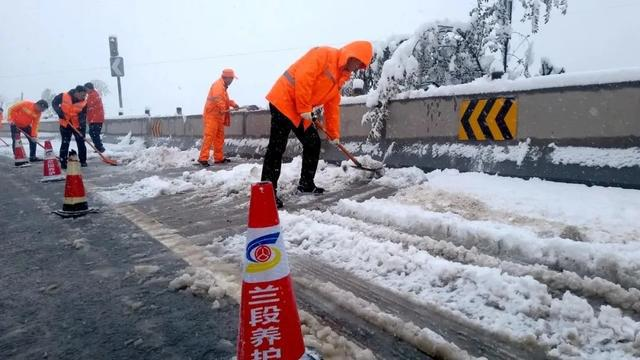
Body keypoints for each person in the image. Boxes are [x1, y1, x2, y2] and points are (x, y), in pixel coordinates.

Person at [260, 41, 373, 208]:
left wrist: (334, 134)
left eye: (361, 66)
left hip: (300, 107)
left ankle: (306, 183)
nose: (357, 68)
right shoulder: (324, 55)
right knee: (277, 147)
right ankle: (266, 194)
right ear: (351, 55)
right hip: (283, 101)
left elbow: (332, 105)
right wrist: (305, 107)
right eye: (358, 62)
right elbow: (305, 77)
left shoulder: (341, 76)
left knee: (313, 142)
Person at [198, 68, 239, 166]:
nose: (232, 81)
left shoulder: (223, 87)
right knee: (209, 137)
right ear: (227, 78)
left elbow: (225, 100)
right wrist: (222, 108)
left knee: (219, 138)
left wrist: (233, 104)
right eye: (232, 79)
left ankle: (219, 158)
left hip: (219, 116)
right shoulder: (218, 85)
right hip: (212, 115)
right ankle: (203, 158)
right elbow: (218, 99)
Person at [52, 85, 88, 169]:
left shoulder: (84, 103)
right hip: (65, 124)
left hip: (77, 125)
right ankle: (63, 162)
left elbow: (83, 116)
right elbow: (54, 103)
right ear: (76, 93)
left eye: (85, 95)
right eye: (82, 95)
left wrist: (82, 130)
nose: (84, 97)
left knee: (81, 142)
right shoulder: (63, 96)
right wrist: (59, 112)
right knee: (65, 142)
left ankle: (83, 161)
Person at [84, 82, 106, 152]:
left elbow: (87, 106)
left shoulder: (93, 95)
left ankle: (99, 147)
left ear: (89, 88)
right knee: (93, 133)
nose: (85, 91)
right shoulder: (92, 94)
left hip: (96, 118)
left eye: (86, 89)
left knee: (94, 133)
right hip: (94, 118)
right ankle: (98, 147)